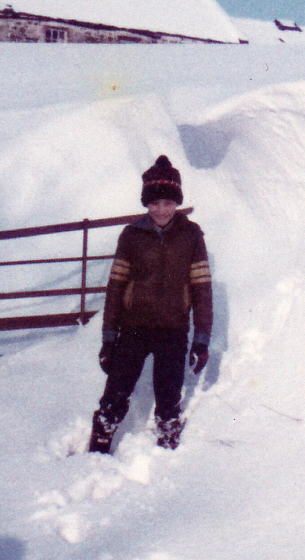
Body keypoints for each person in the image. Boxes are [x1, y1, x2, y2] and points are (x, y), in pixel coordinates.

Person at [90, 155, 213, 453]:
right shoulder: (132, 235)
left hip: (173, 328)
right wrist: (109, 338)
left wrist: (201, 340)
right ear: (146, 203)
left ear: (177, 203)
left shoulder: (191, 236)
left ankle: (167, 438)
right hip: (134, 327)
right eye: (155, 203)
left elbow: (202, 289)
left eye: (168, 203)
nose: (161, 210)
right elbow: (116, 287)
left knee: (169, 393)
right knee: (116, 389)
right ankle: (101, 437)